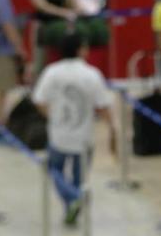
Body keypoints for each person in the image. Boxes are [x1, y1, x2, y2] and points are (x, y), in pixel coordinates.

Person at [32, 33, 115, 226]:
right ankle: (75, 197)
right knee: (80, 177)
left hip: (58, 134)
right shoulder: (91, 74)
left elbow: (39, 100)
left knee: (54, 170)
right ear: (80, 50)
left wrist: (52, 116)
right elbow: (103, 105)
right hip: (84, 137)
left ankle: (71, 202)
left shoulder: (52, 72)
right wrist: (112, 128)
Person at [28, 0, 108, 75]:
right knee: (40, 60)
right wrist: (65, 13)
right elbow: (44, 7)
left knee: (93, 28)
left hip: (67, 19)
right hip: (47, 23)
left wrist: (79, 9)